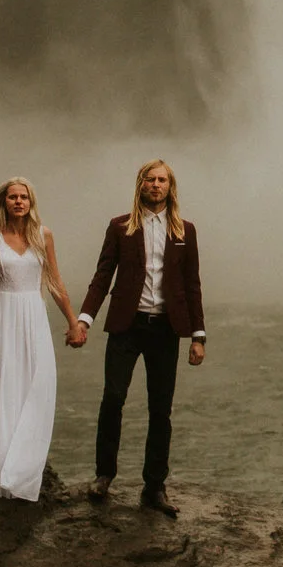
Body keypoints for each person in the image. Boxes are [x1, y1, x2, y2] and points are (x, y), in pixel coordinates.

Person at [68, 158, 206, 514]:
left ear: (170, 187)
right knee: (113, 398)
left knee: (161, 409)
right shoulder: (120, 227)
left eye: (162, 180)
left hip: (165, 329)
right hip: (126, 326)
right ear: (140, 185)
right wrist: (83, 319)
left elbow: (192, 286)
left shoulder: (184, 231)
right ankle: (103, 475)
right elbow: (102, 277)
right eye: (150, 179)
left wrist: (198, 336)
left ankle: (155, 486)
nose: (156, 185)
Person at [0, 177, 74, 504]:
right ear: (4, 202)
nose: (19, 202)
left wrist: (73, 321)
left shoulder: (43, 235)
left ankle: (20, 470)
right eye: (13, 197)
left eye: (24, 197)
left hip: (32, 317)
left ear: (30, 201)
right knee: (0, 389)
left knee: (34, 388)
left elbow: (54, 282)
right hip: (4, 317)